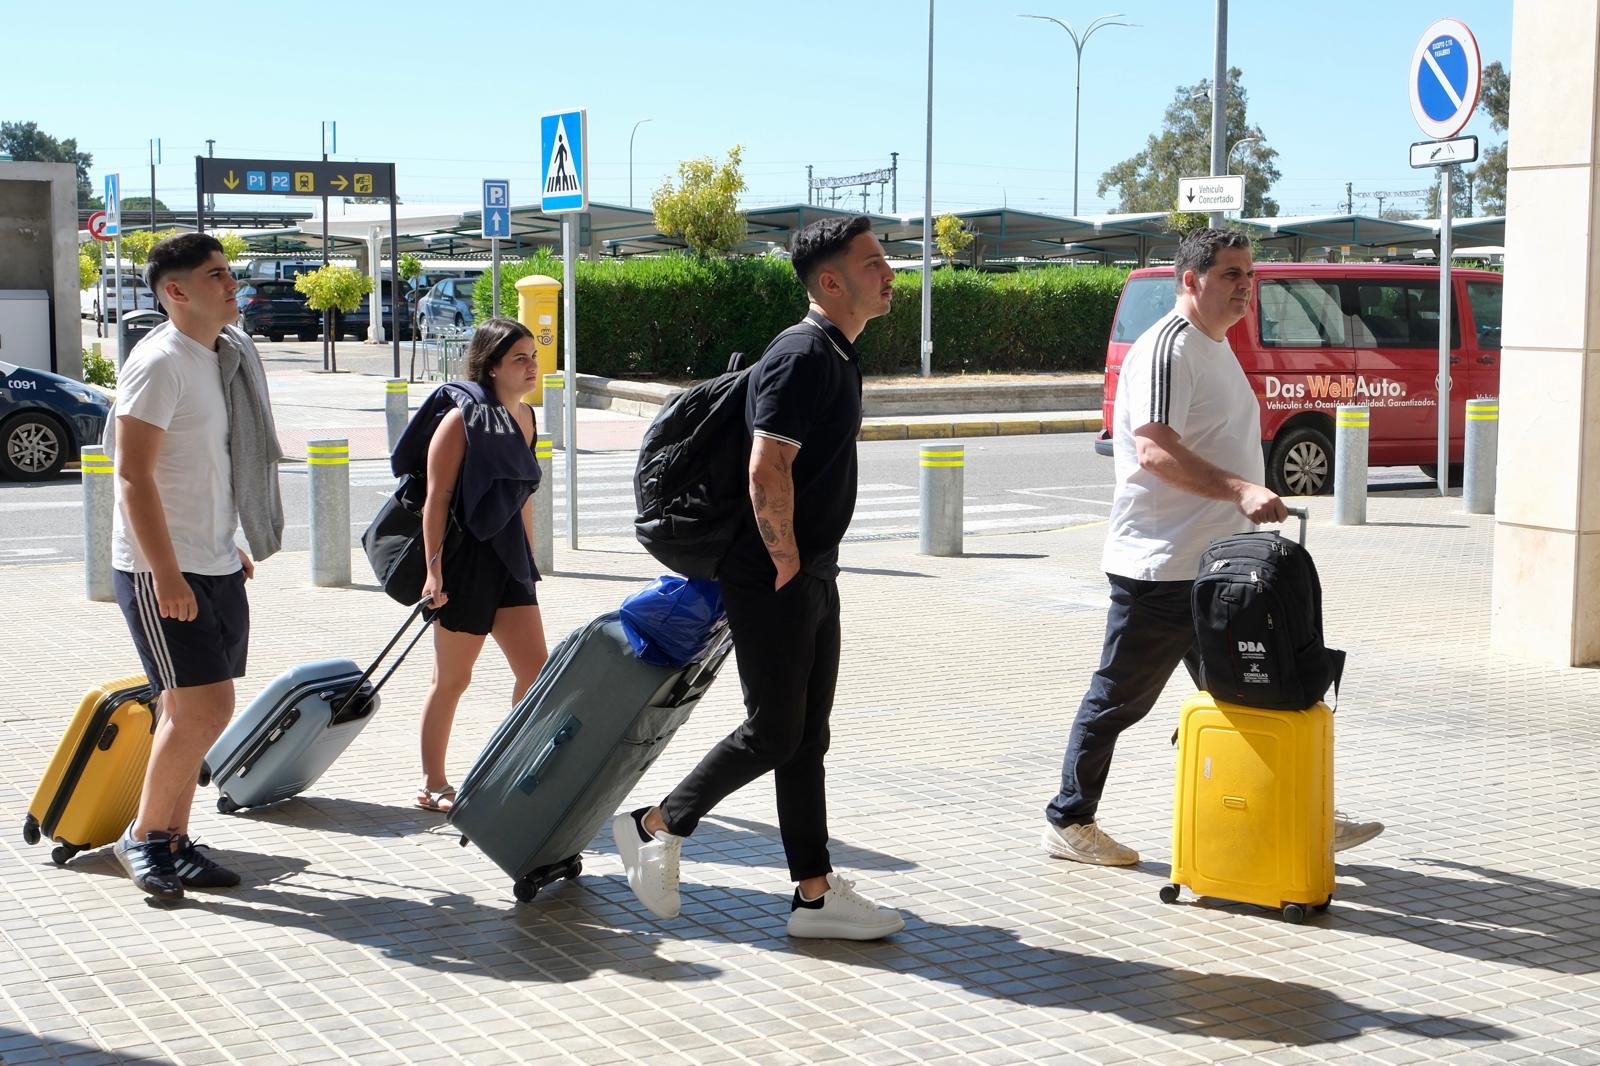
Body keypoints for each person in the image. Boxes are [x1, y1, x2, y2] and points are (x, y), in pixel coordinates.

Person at [1042, 228, 1385, 866]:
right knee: (1119, 698)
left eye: (1248, 276)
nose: (1244, 288)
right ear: (1190, 280)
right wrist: (1240, 490)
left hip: (1217, 566)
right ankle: (1069, 821)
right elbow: (1152, 450)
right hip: (1163, 566)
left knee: (1260, 689)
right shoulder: (1169, 348)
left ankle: (1304, 810)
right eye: (1230, 275)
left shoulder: (1213, 345)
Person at [612, 215, 906, 941]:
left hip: (811, 571)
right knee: (775, 731)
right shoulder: (801, 354)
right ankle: (656, 825)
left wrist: (806, 565)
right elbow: (765, 466)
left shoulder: (838, 354)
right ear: (830, 281)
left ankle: (814, 896)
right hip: (771, 572)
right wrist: (782, 559)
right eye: (873, 263)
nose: (889, 272)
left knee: (806, 736)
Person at [108, 233, 284, 901]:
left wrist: (223, 542)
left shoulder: (221, 357)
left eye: (229, 272)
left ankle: (175, 844)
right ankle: (145, 838)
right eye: (216, 276)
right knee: (206, 709)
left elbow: (206, 468)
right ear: (175, 292)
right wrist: (170, 574)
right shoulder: (160, 363)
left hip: (210, 559)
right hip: (163, 570)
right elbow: (132, 478)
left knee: (187, 710)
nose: (232, 284)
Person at [391, 318, 549, 813]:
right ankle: (431, 782)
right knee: (453, 680)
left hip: (509, 562)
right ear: (492, 365)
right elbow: (436, 499)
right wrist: (433, 572)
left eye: (533, 356)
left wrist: (530, 556)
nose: (531, 366)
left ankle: (506, 769)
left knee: (536, 672)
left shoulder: (526, 417)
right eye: (519, 358)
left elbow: (520, 494)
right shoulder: (459, 420)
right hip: (465, 562)